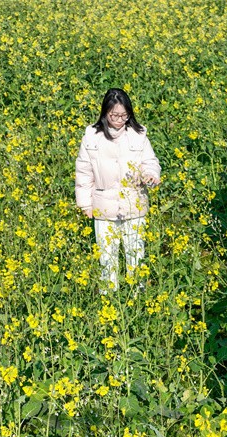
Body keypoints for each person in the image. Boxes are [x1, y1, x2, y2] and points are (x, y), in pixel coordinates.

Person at [75, 88, 161, 288]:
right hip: (103, 205)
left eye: (124, 115)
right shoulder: (91, 136)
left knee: (136, 258)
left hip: (134, 204)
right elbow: (84, 172)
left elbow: (150, 161)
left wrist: (151, 174)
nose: (119, 119)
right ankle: (110, 299)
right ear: (105, 113)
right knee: (107, 259)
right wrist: (85, 205)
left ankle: (137, 298)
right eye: (115, 115)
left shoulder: (138, 135)